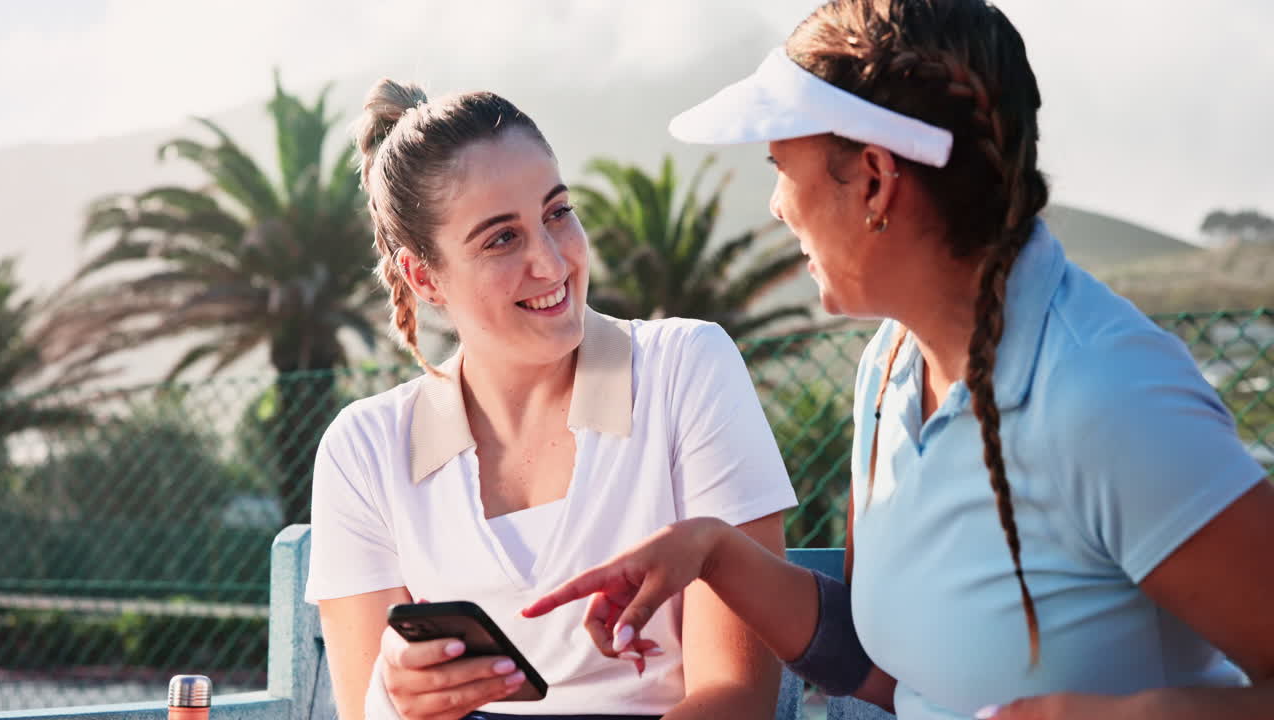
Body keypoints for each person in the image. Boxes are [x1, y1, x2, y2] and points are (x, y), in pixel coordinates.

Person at [522, 2, 1274, 719]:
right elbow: (888, 668)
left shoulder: (1109, 396)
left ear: (876, 181)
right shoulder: (889, 368)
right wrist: (713, 551)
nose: (777, 205)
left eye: (781, 165)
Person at [303, 80, 799, 720]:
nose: (552, 262)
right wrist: (395, 700)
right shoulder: (365, 450)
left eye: (557, 212)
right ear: (424, 277)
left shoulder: (685, 368)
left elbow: (737, 695)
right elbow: (365, 712)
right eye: (501, 239)